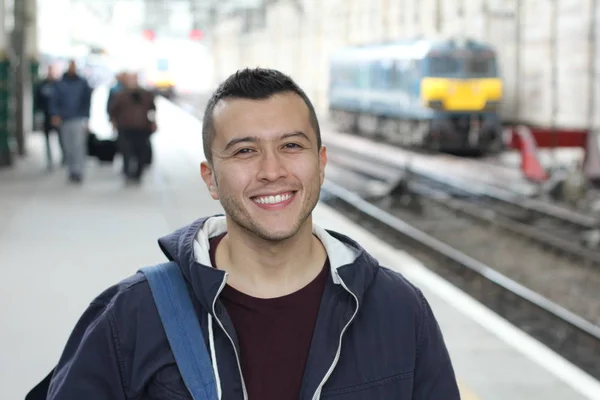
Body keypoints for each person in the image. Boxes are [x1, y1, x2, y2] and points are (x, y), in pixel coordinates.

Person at [45, 68, 460, 399]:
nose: (271, 170)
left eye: (292, 146)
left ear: (321, 162)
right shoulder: (134, 314)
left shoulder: (399, 310)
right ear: (210, 178)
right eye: (245, 150)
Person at [48, 60, 93, 183]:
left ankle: (78, 171)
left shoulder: (82, 83)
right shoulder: (60, 83)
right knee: (67, 147)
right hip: (65, 119)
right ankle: (71, 170)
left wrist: (86, 118)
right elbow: (54, 100)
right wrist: (55, 114)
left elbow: (87, 102)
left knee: (78, 146)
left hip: (78, 118)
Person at [108, 72, 156, 183]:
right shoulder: (121, 95)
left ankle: (138, 174)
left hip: (142, 128)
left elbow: (152, 109)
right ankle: (127, 172)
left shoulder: (145, 95)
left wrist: (153, 122)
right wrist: (114, 122)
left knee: (141, 152)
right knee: (126, 151)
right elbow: (114, 110)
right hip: (125, 127)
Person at [34, 65, 65, 170]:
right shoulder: (41, 85)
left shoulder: (58, 85)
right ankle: (49, 160)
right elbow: (37, 101)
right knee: (47, 139)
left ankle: (63, 158)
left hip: (57, 116)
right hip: (46, 115)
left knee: (60, 137)